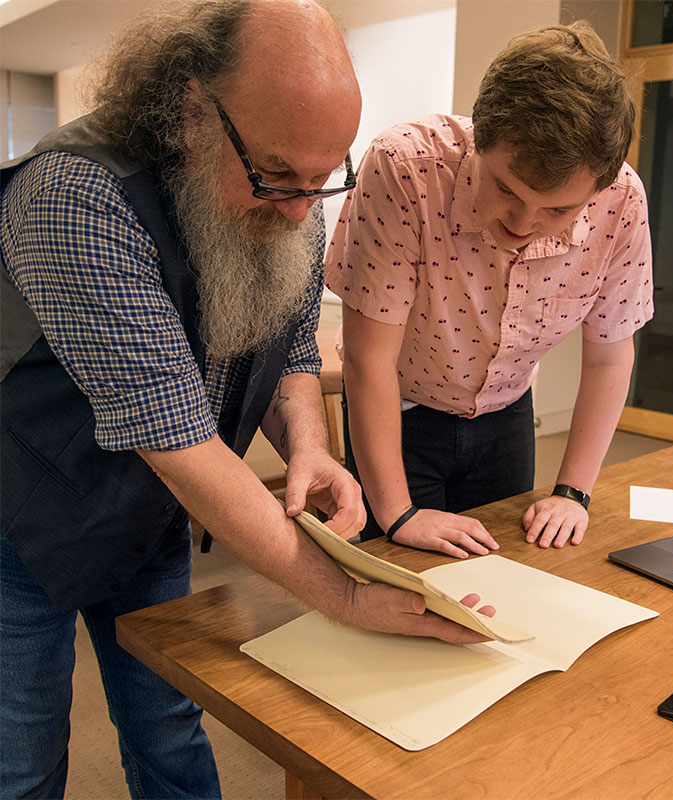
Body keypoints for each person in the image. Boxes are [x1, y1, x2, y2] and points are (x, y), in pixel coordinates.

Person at [0, 2, 492, 797]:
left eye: (323, 177)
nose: (303, 208)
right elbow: (178, 440)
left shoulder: (289, 185)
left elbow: (290, 348)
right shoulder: (73, 197)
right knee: (20, 757)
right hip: (22, 517)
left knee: (167, 718)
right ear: (194, 110)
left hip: (147, 516)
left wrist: (309, 445)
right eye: (276, 175)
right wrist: (346, 596)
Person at [325, 21, 653, 558]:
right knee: (392, 577)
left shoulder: (622, 202)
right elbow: (368, 358)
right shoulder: (406, 168)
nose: (524, 222)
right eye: (505, 189)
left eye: (558, 210)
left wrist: (572, 492)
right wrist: (398, 513)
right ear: (479, 137)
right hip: (398, 411)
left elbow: (609, 358)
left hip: (507, 414)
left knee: (508, 578)